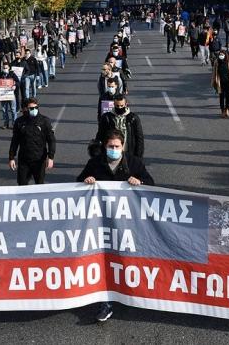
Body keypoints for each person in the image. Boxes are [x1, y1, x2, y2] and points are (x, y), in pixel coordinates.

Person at [77, 130, 154, 322]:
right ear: (104, 147)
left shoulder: (134, 163)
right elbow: (77, 183)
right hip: (101, 223)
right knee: (104, 259)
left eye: (117, 147)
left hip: (127, 224)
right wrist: (86, 182)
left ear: (123, 146)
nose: (113, 150)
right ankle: (106, 302)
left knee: (125, 258)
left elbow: (151, 184)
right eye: (110, 147)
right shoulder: (95, 163)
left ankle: (132, 291)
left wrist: (140, 181)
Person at [9, 98, 56, 185]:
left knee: (39, 184)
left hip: (39, 160)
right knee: (22, 185)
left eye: (36, 107)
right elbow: (15, 141)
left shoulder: (44, 121)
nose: (34, 110)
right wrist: (11, 157)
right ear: (25, 109)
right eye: (31, 108)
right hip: (24, 160)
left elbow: (51, 140)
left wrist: (51, 157)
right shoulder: (19, 122)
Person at [212, 49, 229, 118]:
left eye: (222, 55)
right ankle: (222, 110)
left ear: (225, 55)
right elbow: (214, 73)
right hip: (220, 83)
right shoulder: (217, 62)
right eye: (220, 55)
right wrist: (213, 82)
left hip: (228, 83)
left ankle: (227, 109)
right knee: (221, 97)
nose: (221, 56)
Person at [0, 62, 20, 129]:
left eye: (6, 68)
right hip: (3, 95)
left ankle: (14, 124)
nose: (5, 69)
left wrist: (15, 85)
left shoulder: (12, 74)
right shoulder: (0, 75)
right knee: (4, 110)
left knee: (13, 109)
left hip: (11, 95)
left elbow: (18, 82)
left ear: (9, 68)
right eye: (4, 68)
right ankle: (6, 123)